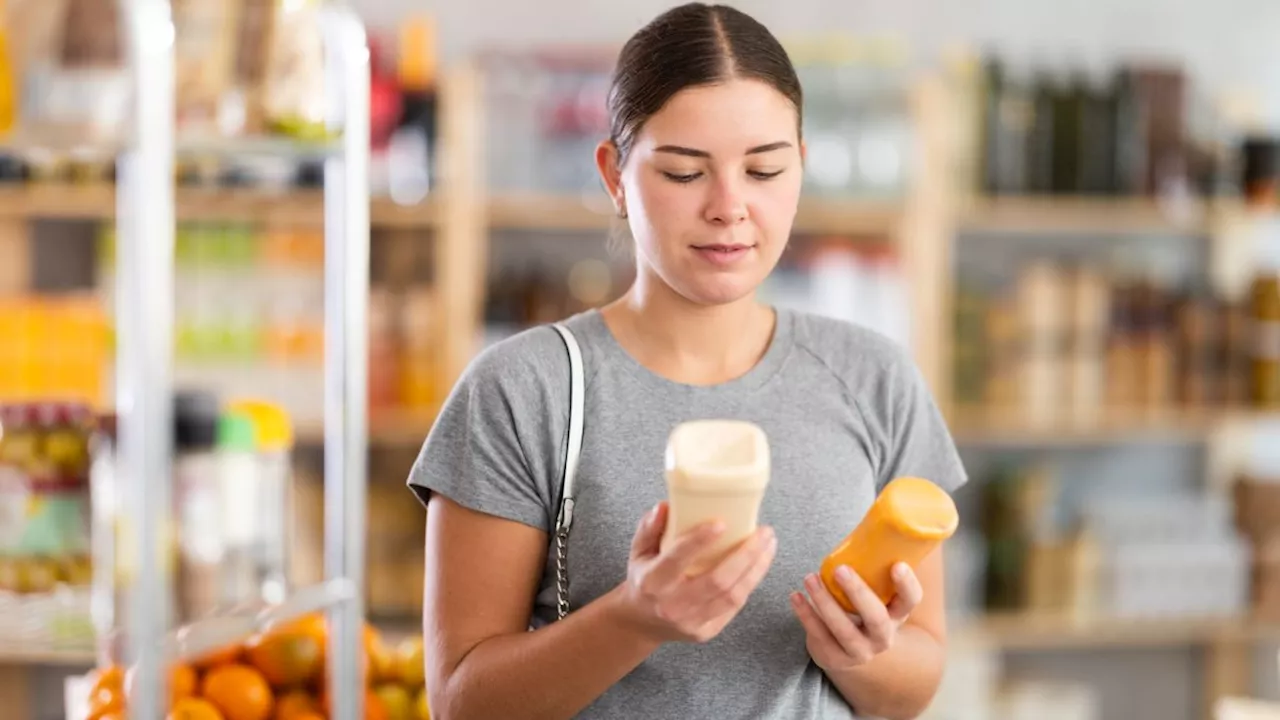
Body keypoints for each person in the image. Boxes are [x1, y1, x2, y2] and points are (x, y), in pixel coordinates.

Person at [408, 4, 968, 719]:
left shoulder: (877, 380)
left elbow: (915, 683)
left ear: (802, 166)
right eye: (682, 173)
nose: (730, 207)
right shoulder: (524, 392)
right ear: (614, 174)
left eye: (765, 169)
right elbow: (461, 702)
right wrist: (634, 618)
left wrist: (865, 651)